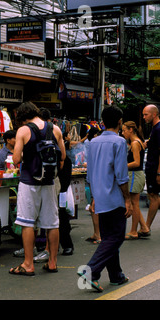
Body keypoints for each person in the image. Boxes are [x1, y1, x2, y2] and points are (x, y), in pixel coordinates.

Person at [78, 106, 132, 292]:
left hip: (99, 194)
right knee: (116, 237)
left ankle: (116, 275)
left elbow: (90, 172)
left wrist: (93, 197)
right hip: (114, 196)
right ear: (119, 122)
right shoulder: (119, 142)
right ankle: (91, 271)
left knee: (110, 237)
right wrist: (128, 199)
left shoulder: (93, 142)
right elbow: (121, 174)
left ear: (102, 122)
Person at [8, 101, 65, 276]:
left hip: (29, 182)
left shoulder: (23, 131)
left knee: (27, 223)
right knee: (52, 223)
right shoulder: (55, 129)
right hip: (49, 181)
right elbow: (62, 155)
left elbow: (16, 159)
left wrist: (27, 153)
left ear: (22, 117)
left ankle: (28, 264)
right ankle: (53, 262)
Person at [122, 121, 149, 240]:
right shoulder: (138, 142)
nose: (123, 133)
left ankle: (133, 231)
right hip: (137, 175)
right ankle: (143, 227)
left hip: (135, 175)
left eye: (124, 130)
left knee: (134, 204)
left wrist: (122, 166)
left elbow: (137, 163)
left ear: (130, 130)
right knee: (135, 203)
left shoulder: (135, 143)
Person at [142, 104, 160, 234]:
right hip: (151, 167)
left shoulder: (158, 129)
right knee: (151, 195)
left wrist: (159, 172)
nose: (144, 117)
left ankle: (146, 226)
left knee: (153, 196)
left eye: (146, 114)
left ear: (154, 114)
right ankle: (146, 226)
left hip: (155, 168)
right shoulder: (154, 129)